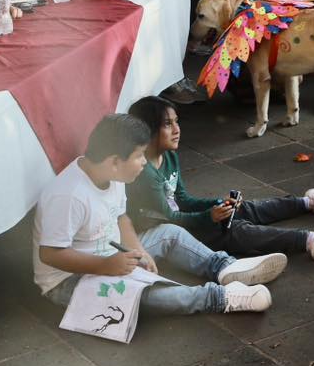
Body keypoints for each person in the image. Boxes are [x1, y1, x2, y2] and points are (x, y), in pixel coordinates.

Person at [33, 114, 286, 318]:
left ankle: (226, 268)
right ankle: (219, 298)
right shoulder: (68, 196)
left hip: (112, 255)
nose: (144, 162)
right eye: (139, 156)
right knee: (141, 294)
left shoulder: (112, 174)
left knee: (170, 234)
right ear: (113, 161)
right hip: (68, 280)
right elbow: (51, 254)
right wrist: (105, 266)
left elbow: (121, 218)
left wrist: (138, 250)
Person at [125, 96, 314, 259]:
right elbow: (169, 220)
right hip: (172, 234)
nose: (177, 129)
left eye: (176, 121)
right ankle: (311, 240)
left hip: (185, 221)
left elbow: (182, 198)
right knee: (237, 231)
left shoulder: (169, 156)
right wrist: (209, 217)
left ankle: (309, 202)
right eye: (167, 124)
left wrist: (217, 205)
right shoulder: (143, 174)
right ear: (148, 130)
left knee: (243, 209)